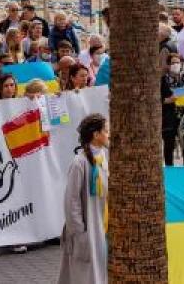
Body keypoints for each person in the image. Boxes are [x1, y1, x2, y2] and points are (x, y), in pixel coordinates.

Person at [58, 113, 108, 284]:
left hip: (101, 228)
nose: (108, 135)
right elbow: (71, 201)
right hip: (86, 231)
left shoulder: (102, 159)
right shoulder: (79, 163)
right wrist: (80, 233)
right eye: (106, 131)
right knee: (82, 276)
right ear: (96, 134)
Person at [160, 53, 184, 165]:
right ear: (168, 65)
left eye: (178, 62)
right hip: (169, 118)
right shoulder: (162, 80)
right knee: (169, 146)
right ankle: (169, 168)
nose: (176, 65)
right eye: (173, 62)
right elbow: (157, 100)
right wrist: (169, 100)